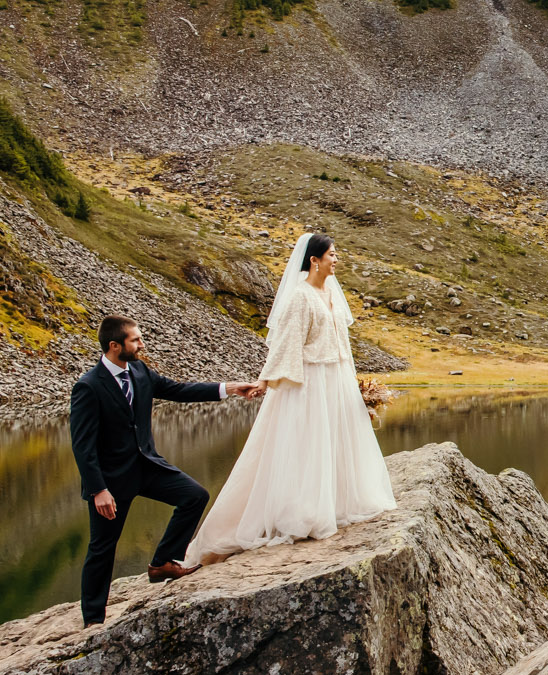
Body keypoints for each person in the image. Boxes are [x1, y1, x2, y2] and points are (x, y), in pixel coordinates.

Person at [188, 232, 396, 560]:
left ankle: (338, 502)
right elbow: (287, 343)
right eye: (331, 255)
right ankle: (305, 511)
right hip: (310, 382)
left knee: (336, 441)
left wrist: (352, 385)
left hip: (336, 378)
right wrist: (266, 381)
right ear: (314, 260)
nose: (336, 260)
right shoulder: (300, 297)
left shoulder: (331, 294)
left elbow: (342, 344)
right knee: (309, 443)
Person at [68, 315, 261, 625]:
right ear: (115, 346)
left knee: (194, 496)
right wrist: (98, 490)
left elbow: (179, 390)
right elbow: (82, 446)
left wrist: (230, 388)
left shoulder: (140, 371)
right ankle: (93, 619)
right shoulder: (88, 387)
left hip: (147, 466)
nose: (142, 344)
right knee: (102, 548)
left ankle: (161, 563)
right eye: (135, 340)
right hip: (111, 482)